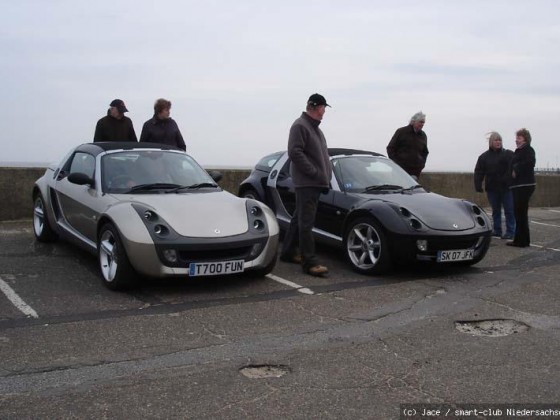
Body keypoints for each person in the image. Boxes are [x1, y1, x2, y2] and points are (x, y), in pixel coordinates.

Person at [279, 93, 332, 276]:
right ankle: (309, 262)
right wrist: (314, 172)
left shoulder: (315, 129)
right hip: (307, 182)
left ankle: (287, 253)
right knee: (306, 222)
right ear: (315, 107)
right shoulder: (300, 125)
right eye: (323, 107)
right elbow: (295, 152)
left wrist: (325, 175)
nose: (324, 111)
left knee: (298, 218)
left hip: (315, 183)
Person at [474, 132, 515, 239]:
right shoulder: (484, 157)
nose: (498, 142)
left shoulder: (508, 154)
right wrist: (478, 184)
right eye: (496, 140)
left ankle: (511, 231)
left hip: (506, 188)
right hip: (492, 188)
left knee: (509, 210)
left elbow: (514, 167)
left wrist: (509, 179)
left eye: (499, 140)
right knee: (496, 211)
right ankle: (497, 230)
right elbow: (479, 171)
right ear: (491, 142)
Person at [506, 128, 536, 248]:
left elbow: (530, 162)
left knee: (520, 213)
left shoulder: (528, 149)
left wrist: (516, 169)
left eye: (519, 138)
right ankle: (521, 240)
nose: (516, 140)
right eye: (516, 138)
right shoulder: (519, 151)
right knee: (519, 213)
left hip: (524, 185)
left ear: (525, 139)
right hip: (517, 185)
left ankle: (521, 241)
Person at [386, 111, 429, 179]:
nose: (422, 124)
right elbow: (390, 148)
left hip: (415, 171)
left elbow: (425, 152)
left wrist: (421, 165)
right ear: (413, 121)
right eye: (420, 122)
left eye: (423, 122)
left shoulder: (423, 135)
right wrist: (396, 164)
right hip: (399, 170)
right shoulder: (401, 132)